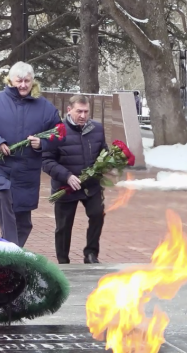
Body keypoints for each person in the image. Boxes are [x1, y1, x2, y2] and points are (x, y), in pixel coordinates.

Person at [0, 61, 61, 247]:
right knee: (3, 195)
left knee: (24, 223)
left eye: (27, 81)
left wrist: (42, 143)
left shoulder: (45, 108)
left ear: (33, 81)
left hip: (26, 170)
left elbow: (59, 134)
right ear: (10, 80)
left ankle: (9, 252)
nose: (23, 85)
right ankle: (9, 254)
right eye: (19, 81)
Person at [42, 95, 107, 264]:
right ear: (69, 110)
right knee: (63, 226)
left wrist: (109, 164)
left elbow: (104, 152)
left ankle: (91, 254)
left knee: (97, 214)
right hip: (66, 187)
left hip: (90, 186)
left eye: (86, 112)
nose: (83, 116)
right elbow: (47, 160)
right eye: (79, 111)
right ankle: (63, 261)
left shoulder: (97, 129)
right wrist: (66, 176)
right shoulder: (57, 131)